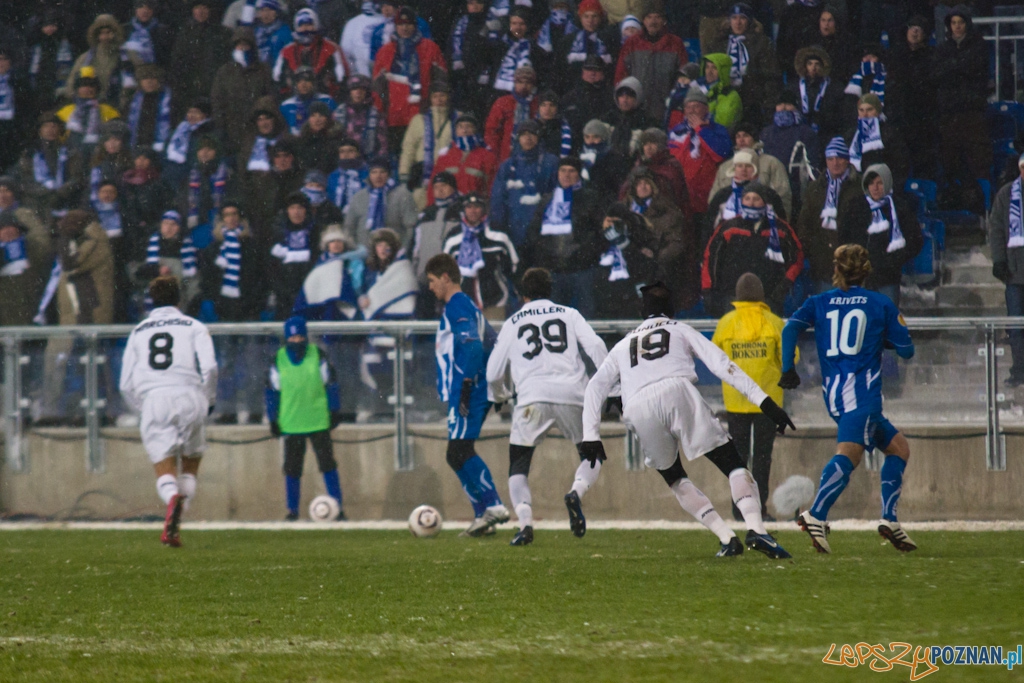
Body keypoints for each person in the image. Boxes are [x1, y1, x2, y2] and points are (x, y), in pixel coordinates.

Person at [579, 281, 794, 558]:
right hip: (676, 390)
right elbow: (721, 365)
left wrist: (590, 435)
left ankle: (726, 538)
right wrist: (766, 403)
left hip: (637, 406)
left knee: (674, 477)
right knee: (732, 464)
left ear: (643, 312)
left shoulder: (622, 345)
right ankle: (756, 530)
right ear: (670, 310)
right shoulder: (679, 328)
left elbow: (595, 387)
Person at [780, 244, 917, 554]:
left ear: (836, 269)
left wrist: (788, 368)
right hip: (862, 391)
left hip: (834, 393)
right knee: (850, 454)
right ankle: (816, 514)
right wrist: (886, 335)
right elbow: (907, 351)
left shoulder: (819, 301)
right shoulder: (880, 303)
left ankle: (890, 519)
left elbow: (789, 329)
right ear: (866, 271)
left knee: (898, 448)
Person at [485, 267, 609, 544]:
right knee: (592, 455)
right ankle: (575, 492)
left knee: (519, 463)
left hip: (531, 396)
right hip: (574, 394)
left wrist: (500, 395)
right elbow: (597, 346)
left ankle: (525, 525)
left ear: (521, 294)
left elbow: (493, 372)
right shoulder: (569, 313)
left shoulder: (513, 321)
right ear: (551, 290)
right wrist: (610, 386)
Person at [119, 275, 218, 547]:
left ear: (151, 300)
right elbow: (209, 368)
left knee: (164, 469)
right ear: (179, 299)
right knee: (191, 462)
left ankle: (172, 499)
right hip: (190, 395)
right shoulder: (194, 326)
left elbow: (125, 383)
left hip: (155, 398)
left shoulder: (139, 331)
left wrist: (143, 408)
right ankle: (178, 515)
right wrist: (208, 400)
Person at [425, 252, 510, 536]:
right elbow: (493, 341)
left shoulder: (457, 305)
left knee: (459, 450)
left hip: (468, 389)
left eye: (432, 280)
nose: (430, 287)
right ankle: (483, 517)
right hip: (474, 387)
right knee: (456, 453)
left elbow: (472, 346)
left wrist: (464, 387)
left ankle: (493, 505)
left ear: (446, 278)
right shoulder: (467, 306)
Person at [712, 273, 791, 520]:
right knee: (762, 458)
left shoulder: (726, 323)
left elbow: (715, 358)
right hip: (768, 401)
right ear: (761, 295)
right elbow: (791, 357)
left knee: (738, 458)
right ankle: (760, 509)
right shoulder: (775, 322)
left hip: (735, 401)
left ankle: (739, 509)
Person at [266, 315, 345, 520]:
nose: (297, 342)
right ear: (286, 338)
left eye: (300, 338)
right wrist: (273, 418)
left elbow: (331, 384)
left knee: (328, 465)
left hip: (318, 419)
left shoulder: (318, 355)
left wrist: (334, 409)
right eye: (292, 338)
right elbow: (272, 391)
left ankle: (338, 508)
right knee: (292, 469)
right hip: (291, 422)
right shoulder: (278, 358)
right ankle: (292, 511)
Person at [522, 155, 606, 318]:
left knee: (585, 318)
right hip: (553, 270)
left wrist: (586, 253)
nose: (566, 175)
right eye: (563, 170)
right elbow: (534, 232)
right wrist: (543, 256)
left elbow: (599, 233)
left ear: (578, 174)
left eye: (571, 171)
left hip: (582, 269)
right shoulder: (547, 200)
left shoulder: (591, 198)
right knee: (553, 319)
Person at [702, 182, 803, 316]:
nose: (751, 203)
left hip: (769, 298)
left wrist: (784, 285)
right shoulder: (728, 227)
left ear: (765, 202)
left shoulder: (780, 228)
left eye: (756, 199)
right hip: (732, 298)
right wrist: (708, 290)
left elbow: (797, 258)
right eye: (747, 198)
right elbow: (711, 259)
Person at [838, 163, 921, 307]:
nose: (875, 188)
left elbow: (915, 240)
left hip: (887, 279)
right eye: (871, 183)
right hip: (859, 278)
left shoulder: (899, 208)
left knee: (886, 321)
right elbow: (843, 238)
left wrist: (894, 260)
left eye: (880, 183)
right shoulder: (855, 206)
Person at [371, 6, 446, 150]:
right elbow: (377, 86)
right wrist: (382, 111)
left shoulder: (430, 48)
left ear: (415, 25)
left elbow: (441, 81)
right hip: (394, 117)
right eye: (400, 24)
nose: (404, 28)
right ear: (395, 26)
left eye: (408, 24)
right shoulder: (385, 51)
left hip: (422, 114)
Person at [441, 192, 519, 319]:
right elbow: (444, 272)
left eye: (477, 207)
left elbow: (514, 267)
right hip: (463, 304)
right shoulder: (453, 238)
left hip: (495, 302)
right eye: (469, 207)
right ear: (464, 209)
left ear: (483, 209)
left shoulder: (498, 235)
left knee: (494, 339)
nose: (473, 211)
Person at [796, 137, 859, 292]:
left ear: (847, 160)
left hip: (853, 266)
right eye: (830, 159)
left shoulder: (860, 187)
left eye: (839, 158)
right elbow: (805, 225)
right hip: (823, 267)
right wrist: (814, 255)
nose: (835, 163)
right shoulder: (815, 189)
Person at [703, 3, 780, 130]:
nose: (738, 23)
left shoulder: (762, 43)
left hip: (752, 101)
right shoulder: (718, 44)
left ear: (749, 21)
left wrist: (767, 104)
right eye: (734, 18)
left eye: (742, 18)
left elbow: (771, 76)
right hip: (724, 99)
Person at [489, 120, 560, 249]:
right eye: (524, 134)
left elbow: (556, 195)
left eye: (532, 133)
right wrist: (498, 225)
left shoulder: (551, 162)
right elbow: (497, 199)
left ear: (538, 137)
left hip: (542, 232)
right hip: (513, 230)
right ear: (518, 138)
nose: (528, 138)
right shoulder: (508, 165)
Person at [614, 1, 688, 122]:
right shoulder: (631, 43)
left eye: (657, 17)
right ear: (643, 20)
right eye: (649, 17)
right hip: (636, 112)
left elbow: (683, 76)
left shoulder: (676, 44)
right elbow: (621, 76)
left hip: (665, 110)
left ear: (664, 20)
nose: (653, 22)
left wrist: (673, 101)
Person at [666, 88, 732, 217]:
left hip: (706, 198)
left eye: (696, 106)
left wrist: (701, 129)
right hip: (681, 197)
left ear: (706, 109)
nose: (691, 110)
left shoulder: (717, 129)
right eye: (688, 107)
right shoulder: (676, 132)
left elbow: (721, 153)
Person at [710, 122, 793, 219]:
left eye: (745, 135)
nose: (741, 140)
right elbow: (714, 199)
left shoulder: (772, 162)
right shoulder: (725, 166)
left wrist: (782, 223)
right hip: (729, 223)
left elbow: (783, 194)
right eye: (738, 136)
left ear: (754, 138)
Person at [991, 154, 1024, 386]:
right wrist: (999, 261)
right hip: (1014, 274)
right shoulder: (1006, 195)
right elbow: (996, 230)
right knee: (1016, 326)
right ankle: (1020, 370)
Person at [274, 8, 348, 101]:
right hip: (295, 99)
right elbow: (277, 79)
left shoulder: (330, 48)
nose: (305, 28)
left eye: (309, 24)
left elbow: (341, 78)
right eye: (301, 25)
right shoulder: (286, 51)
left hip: (324, 99)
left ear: (316, 25)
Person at [345, 156, 419, 245]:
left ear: (389, 174)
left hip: (394, 250)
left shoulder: (402, 194)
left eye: (382, 172)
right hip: (364, 251)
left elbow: (410, 226)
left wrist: (403, 249)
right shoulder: (359, 196)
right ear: (369, 174)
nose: (378, 176)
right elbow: (349, 227)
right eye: (374, 172)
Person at [428, 114, 499, 203]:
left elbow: (493, 186)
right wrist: (431, 206)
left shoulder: (488, 156)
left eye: (468, 127)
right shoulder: (445, 156)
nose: (464, 130)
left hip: (474, 208)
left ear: (475, 130)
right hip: (450, 208)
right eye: (460, 127)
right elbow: (433, 186)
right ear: (456, 131)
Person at [485, 65, 540, 164]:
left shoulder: (539, 103)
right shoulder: (503, 102)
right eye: (520, 82)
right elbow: (491, 130)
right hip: (506, 155)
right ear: (514, 83)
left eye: (528, 82)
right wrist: (494, 154)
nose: (524, 86)